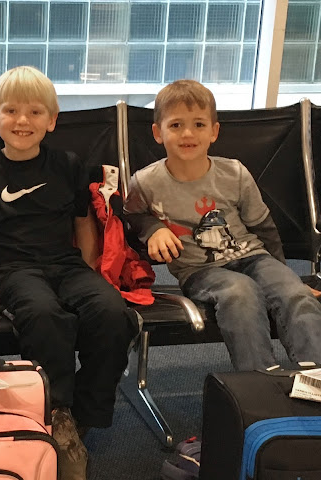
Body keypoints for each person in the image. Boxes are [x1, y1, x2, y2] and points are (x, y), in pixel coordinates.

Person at [0, 66, 139, 480]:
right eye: (11, 111)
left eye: (35, 112)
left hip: (66, 263)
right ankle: (55, 412)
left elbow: (82, 221)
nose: (23, 120)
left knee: (112, 313)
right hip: (12, 269)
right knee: (44, 316)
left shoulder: (68, 165)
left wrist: (92, 272)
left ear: (52, 120)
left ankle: (80, 416)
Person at [123, 79, 321, 371]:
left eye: (199, 124)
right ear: (158, 133)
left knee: (296, 295)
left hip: (254, 258)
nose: (188, 133)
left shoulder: (235, 173)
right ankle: (258, 379)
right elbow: (131, 217)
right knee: (240, 293)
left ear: (214, 131)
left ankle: (315, 376)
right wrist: (154, 228)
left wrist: (285, 276)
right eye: (176, 125)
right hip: (199, 271)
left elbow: (263, 227)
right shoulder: (144, 182)